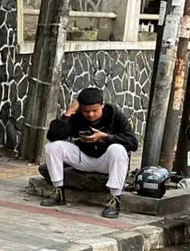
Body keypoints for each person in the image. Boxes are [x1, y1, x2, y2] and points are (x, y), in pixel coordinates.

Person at [40, 87, 138, 219]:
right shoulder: (77, 117)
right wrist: (69, 112)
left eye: (94, 110)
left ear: (102, 104)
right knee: (52, 147)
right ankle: (58, 193)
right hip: (84, 158)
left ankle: (114, 200)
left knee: (118, 149)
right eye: (86, 111)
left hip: (106, 162)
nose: (90, 115)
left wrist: (105, 137)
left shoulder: (115, 115)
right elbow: (52, 135)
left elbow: (133, 143)